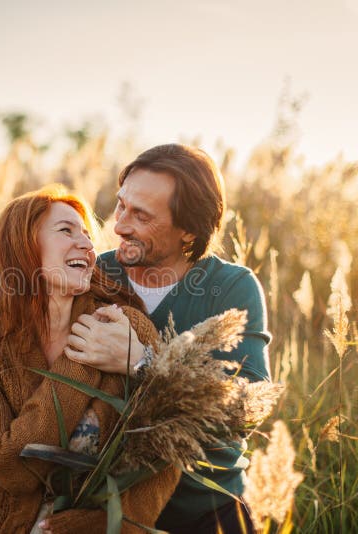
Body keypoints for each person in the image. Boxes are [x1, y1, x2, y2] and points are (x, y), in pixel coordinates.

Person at [0, 186, 180, 534]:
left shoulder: (123, 326)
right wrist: (81, 357)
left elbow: (168, 443)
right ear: (22, 247)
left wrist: (107, 524)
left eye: (87, 234)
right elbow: (12, 468)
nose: (87, 244)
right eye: (66, 231)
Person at [65, 144, 271, 534]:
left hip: (206, 508)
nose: (120, 225)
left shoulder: (231, 288)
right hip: (102, 511)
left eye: (141, 215)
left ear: (189, 229)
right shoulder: (93, 272)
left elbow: (246, 409)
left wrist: (143, 362)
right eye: (121, 205)